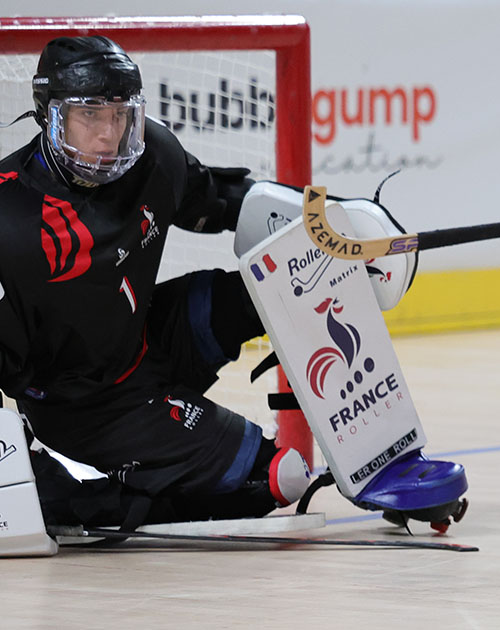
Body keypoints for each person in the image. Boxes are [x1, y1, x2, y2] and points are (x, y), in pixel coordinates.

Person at [0, 35, 313, 531]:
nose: (109, 135)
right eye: (90, 116)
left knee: (294, 280)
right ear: (50, 115)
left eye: (120, 115)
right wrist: (53, 497)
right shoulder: (9, 225)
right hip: (86, 407)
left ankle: (385, 454)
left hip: (147, 339)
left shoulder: (153, 156)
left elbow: (218, 200)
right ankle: (135, 497)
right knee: (281, 478)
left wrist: (328, 222)